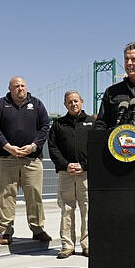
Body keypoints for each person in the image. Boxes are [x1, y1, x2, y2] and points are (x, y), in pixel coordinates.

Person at [0, 76, 52, 245]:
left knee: (34, 194)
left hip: (31, 157)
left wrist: (33, 146)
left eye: (23, 85)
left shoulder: (37, 104)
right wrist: (7, 146)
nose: (20, 89)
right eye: (16, 86)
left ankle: (38, 229)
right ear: (10, 88)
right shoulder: (0, 105)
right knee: (6, 194)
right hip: (6, 157)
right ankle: (6, 231)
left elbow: (45, 127)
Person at [48, 90, 95, 259]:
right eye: (70, 102)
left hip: (86, 173)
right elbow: (53, 148)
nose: (73, 104)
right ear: (65, 104)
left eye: (76, 101)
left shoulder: (92, 122)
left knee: (87, 209)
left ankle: (87, 244)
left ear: (82, 102)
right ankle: (67, 245)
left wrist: (84, 166)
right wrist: (65, 165)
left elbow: (96, 148)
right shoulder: (58, 124)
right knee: (67, 209)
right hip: (66, 173)